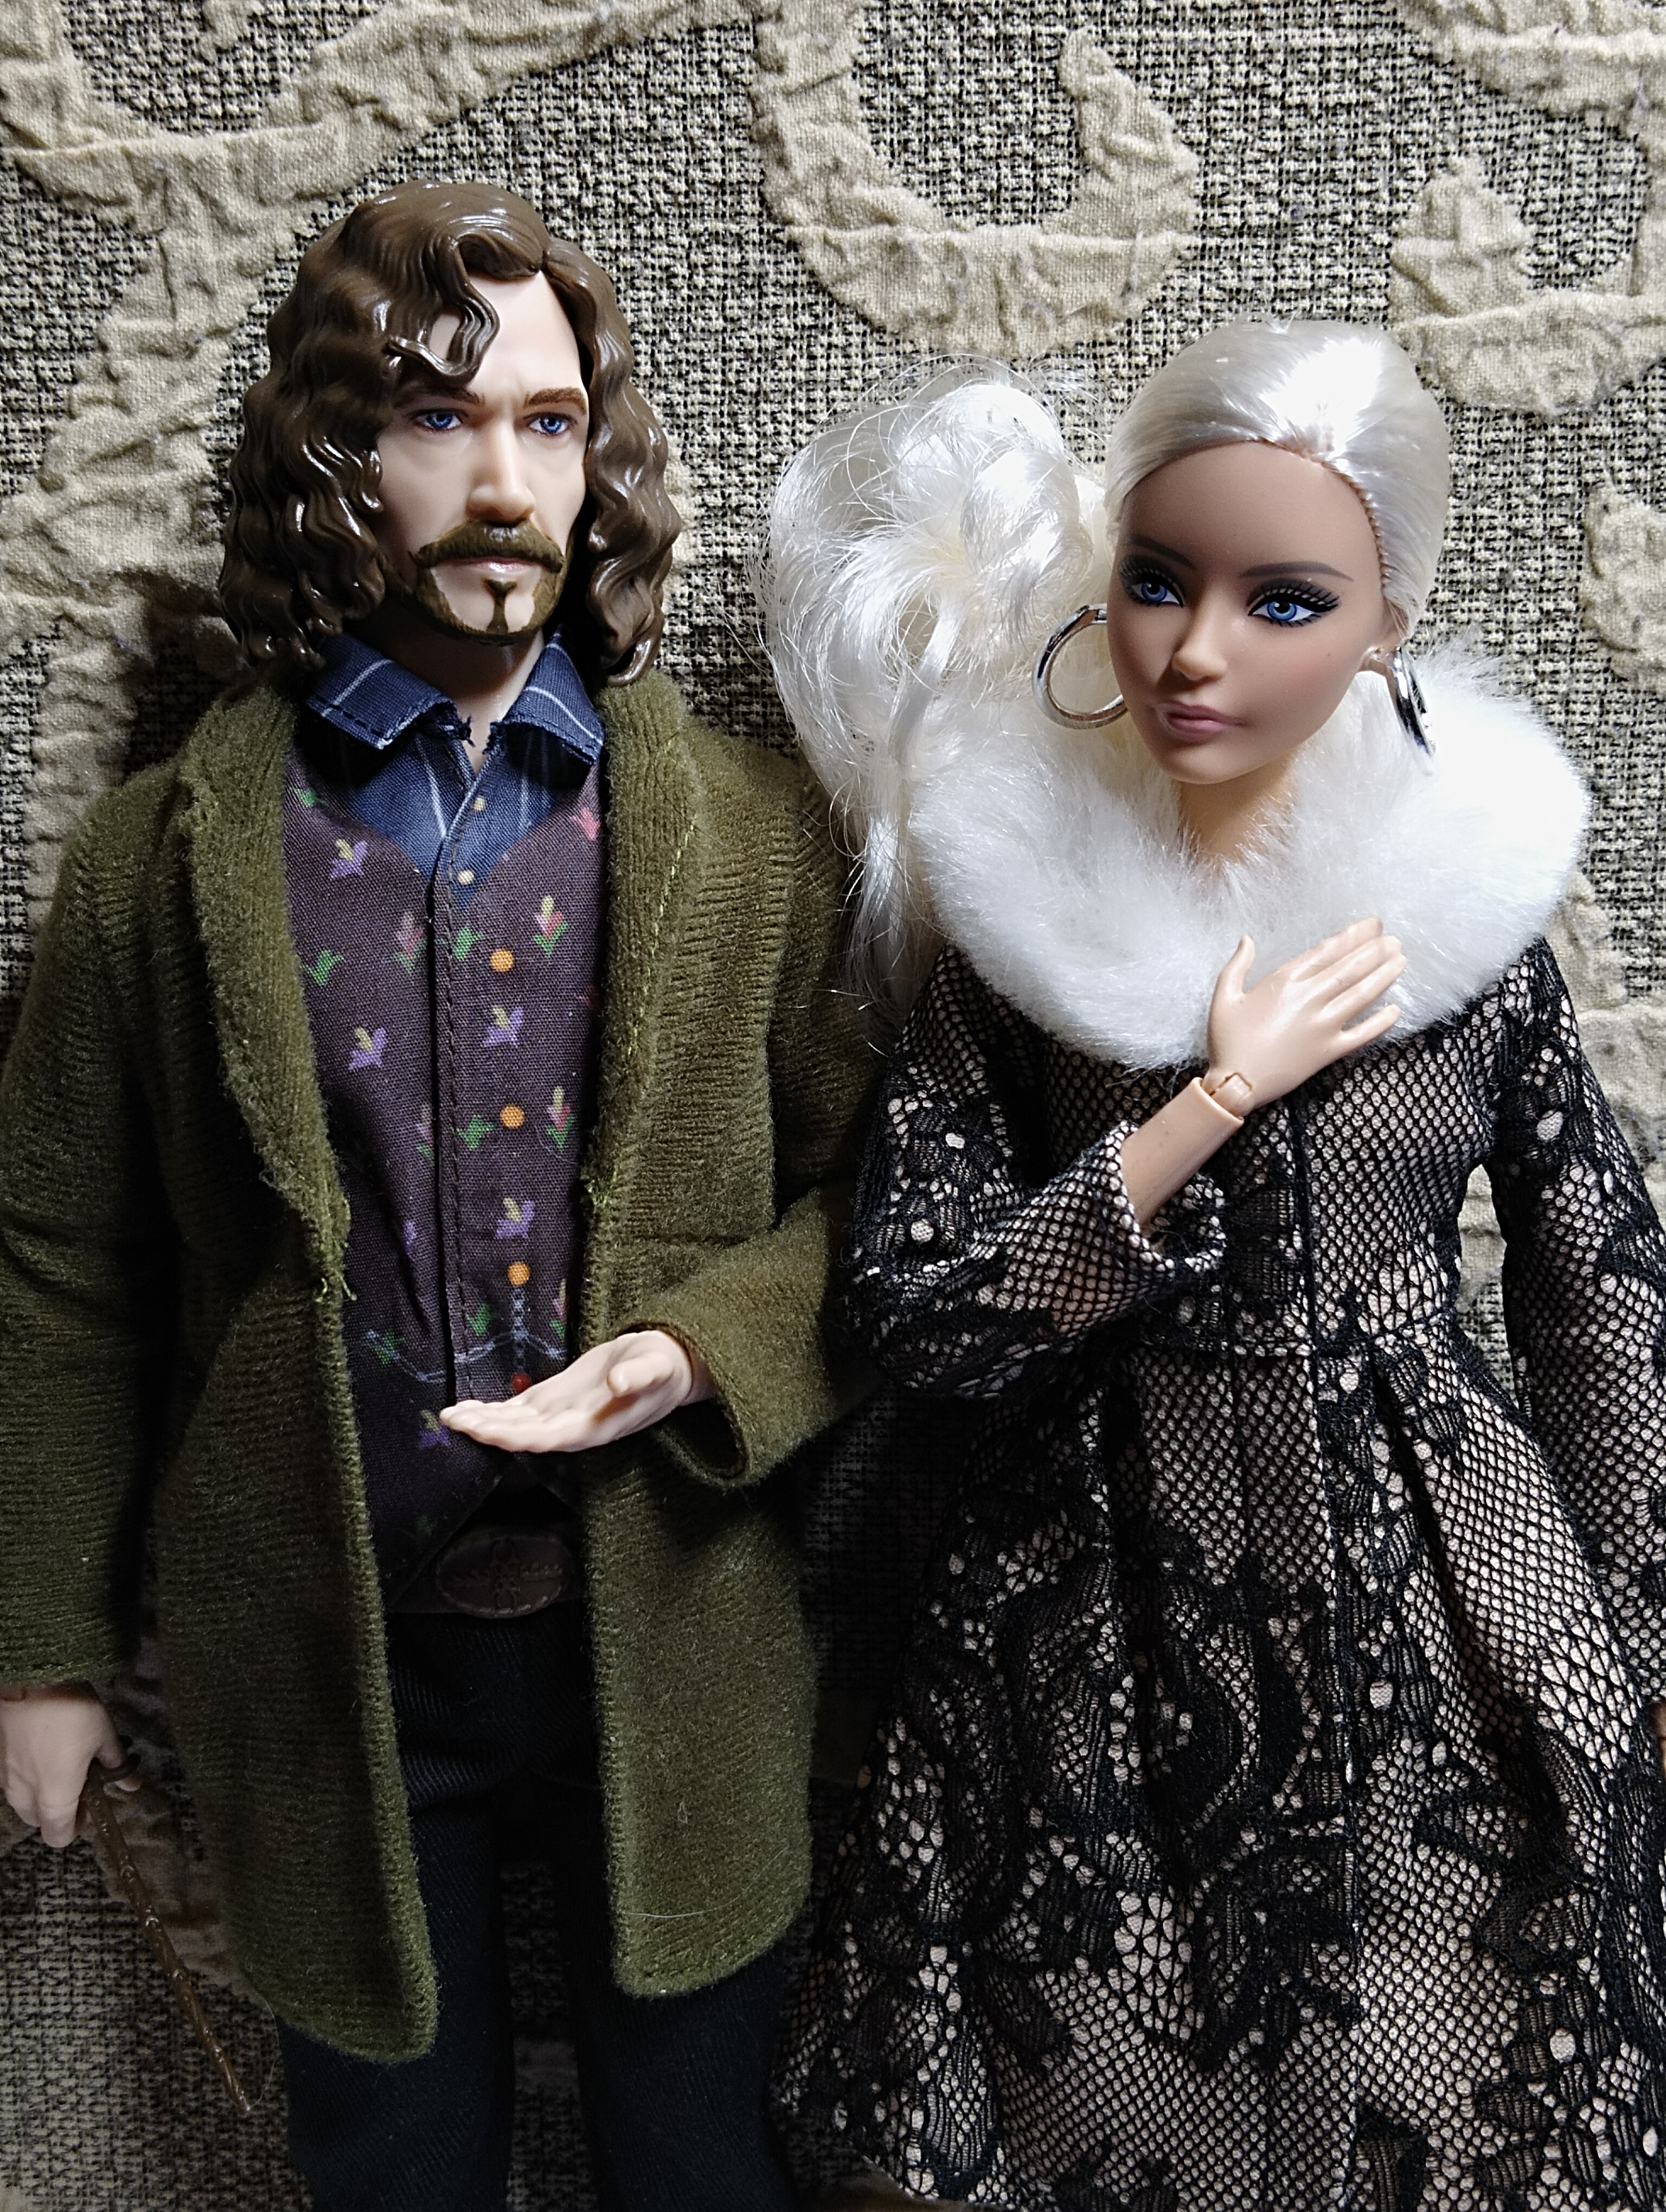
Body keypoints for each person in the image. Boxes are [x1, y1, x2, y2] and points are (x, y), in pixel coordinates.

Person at [0, 179, 874, 2212]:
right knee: (387, 2148)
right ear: (337, 457)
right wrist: (43, 1645)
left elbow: (873, 1204)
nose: (503, 483)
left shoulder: (751, 838)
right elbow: (60, 1264)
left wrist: (702, 1350)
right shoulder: (166, 860)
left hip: (675, 1613)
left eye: (550, 424)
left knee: (704, 2146)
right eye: (435, 418)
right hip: (332, 1646)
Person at [758, 328, 1666, 2209]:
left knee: (1467, 2060)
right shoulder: (1021, 933)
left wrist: (1640, 1623)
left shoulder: (1465, 931)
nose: (1197, 651)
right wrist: (1207, 1102)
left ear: (1391, 625)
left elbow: (1600, 1290)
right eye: (1160, 581)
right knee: (1090, 2071)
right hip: (1091, 1591)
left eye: (1287, 601)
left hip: (1440, 1577)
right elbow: (920, 1309)